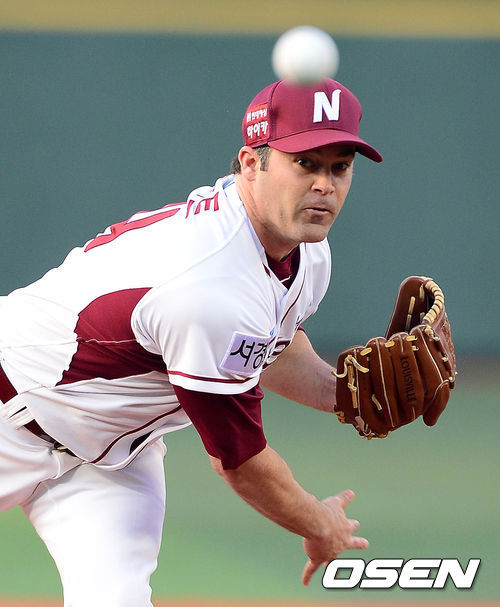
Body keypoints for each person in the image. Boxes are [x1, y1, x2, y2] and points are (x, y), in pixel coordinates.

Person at [0, 77, 382, 606]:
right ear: (251, 163)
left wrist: (346, 394)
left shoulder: (305, 250)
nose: (324, 185)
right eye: (304, 163)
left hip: (111, 456)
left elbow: (267, 345)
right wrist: (320, 524)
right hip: (11, 414)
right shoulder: (209, 281)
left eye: (339, 167)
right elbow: (239, 459)